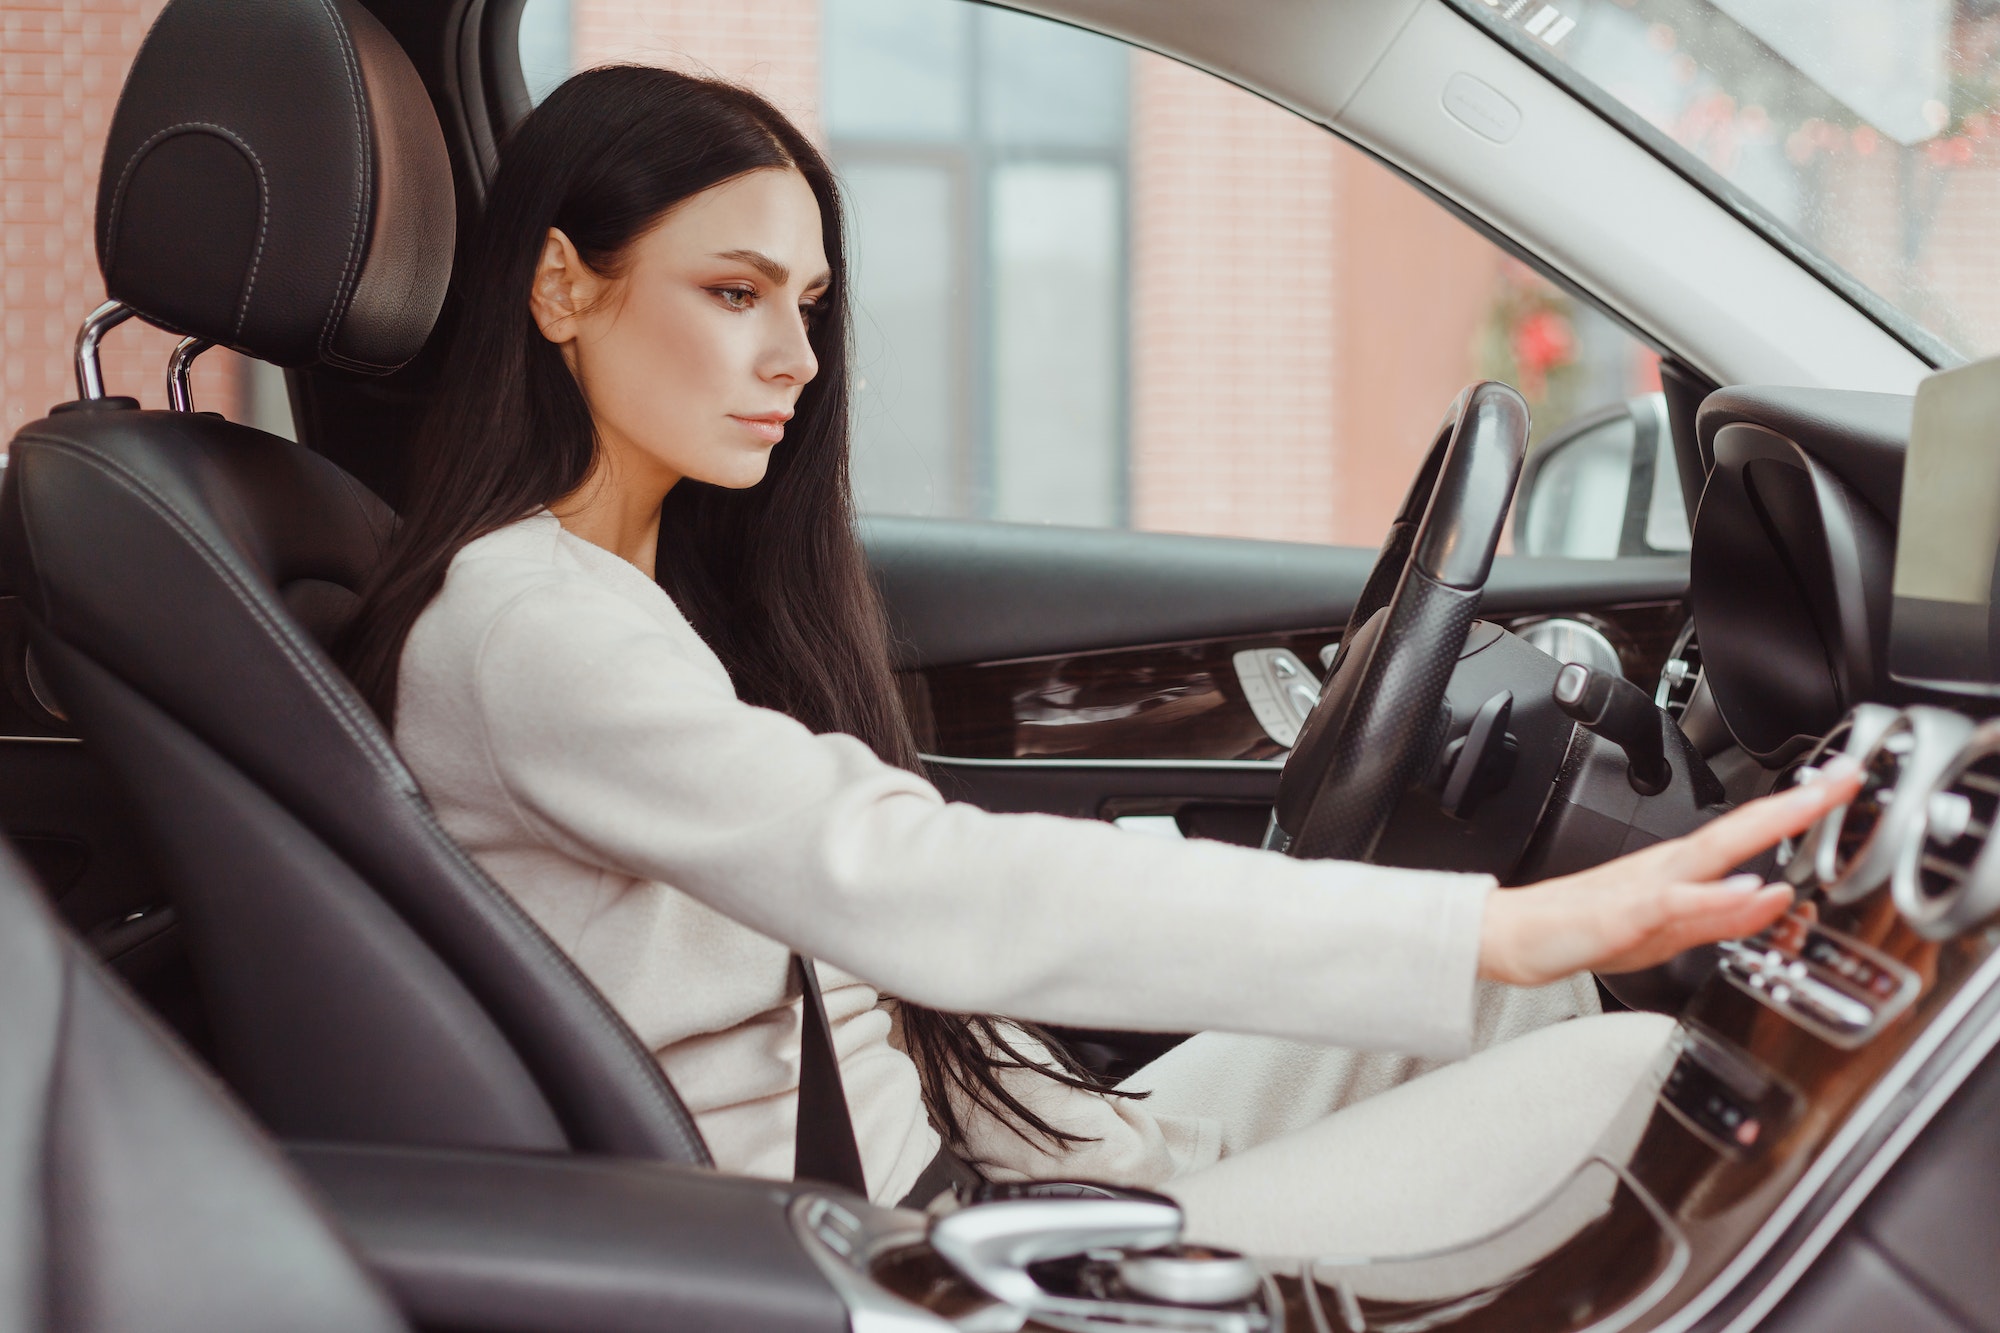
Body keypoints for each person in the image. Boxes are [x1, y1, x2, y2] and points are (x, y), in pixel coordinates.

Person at [338, 65, 1857, 1258]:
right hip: (906, 1257)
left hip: (1004, 1157)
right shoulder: (528, 627)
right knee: (1642, 1066)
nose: (797, 360)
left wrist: (1125, 1138)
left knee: (1531, 1020)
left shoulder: (628, 591)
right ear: (561, 290)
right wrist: (1505, 924)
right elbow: (911, 882)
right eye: (733, 295)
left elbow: (856, 967)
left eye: (804, 305)